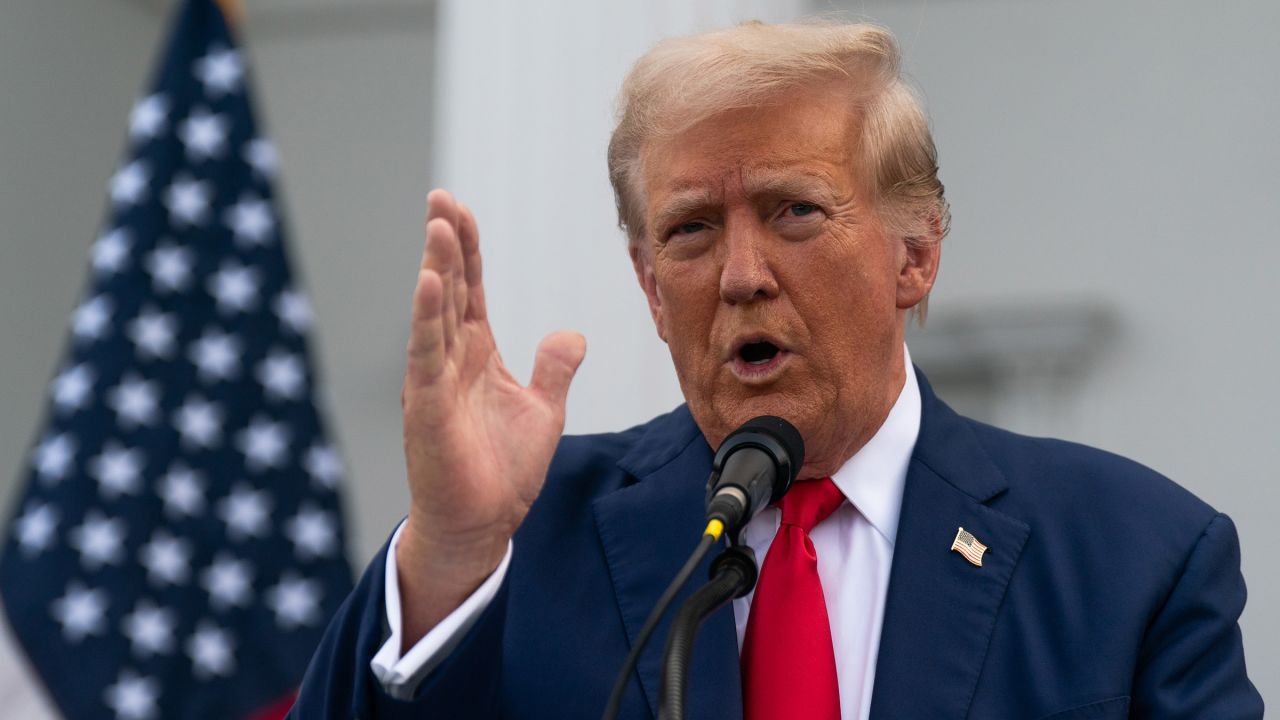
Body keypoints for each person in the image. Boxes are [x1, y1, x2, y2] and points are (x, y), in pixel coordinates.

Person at [290, 21, 1263, 719]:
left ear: (913, 254)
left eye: (794, 211)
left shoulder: (1130, 557)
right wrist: (450, 550)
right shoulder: (518, 539)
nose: (741, 276)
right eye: (689, 230)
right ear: (647, 283)